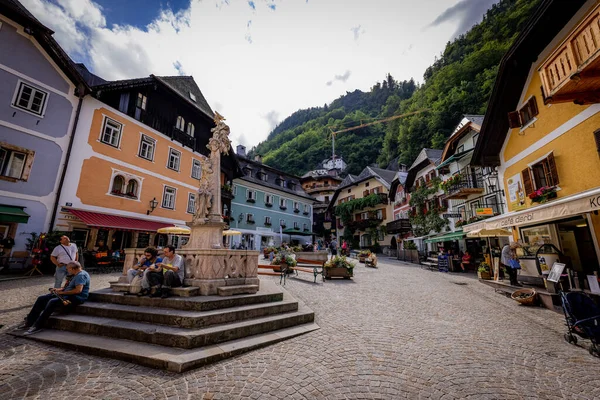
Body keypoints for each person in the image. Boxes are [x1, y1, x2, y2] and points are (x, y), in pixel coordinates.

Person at [19, 261, 90, 335]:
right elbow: (68, 287)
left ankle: (38, 325)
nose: (67, 270)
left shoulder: (81, 276)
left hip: (77, 297)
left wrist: (62, 293)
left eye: (68, 269)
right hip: (67, 294)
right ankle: (30, 322)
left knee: (52, 302)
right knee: (41, 298)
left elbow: (78, 290)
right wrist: (57, 289)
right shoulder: (75, 274)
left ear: (73, 269)